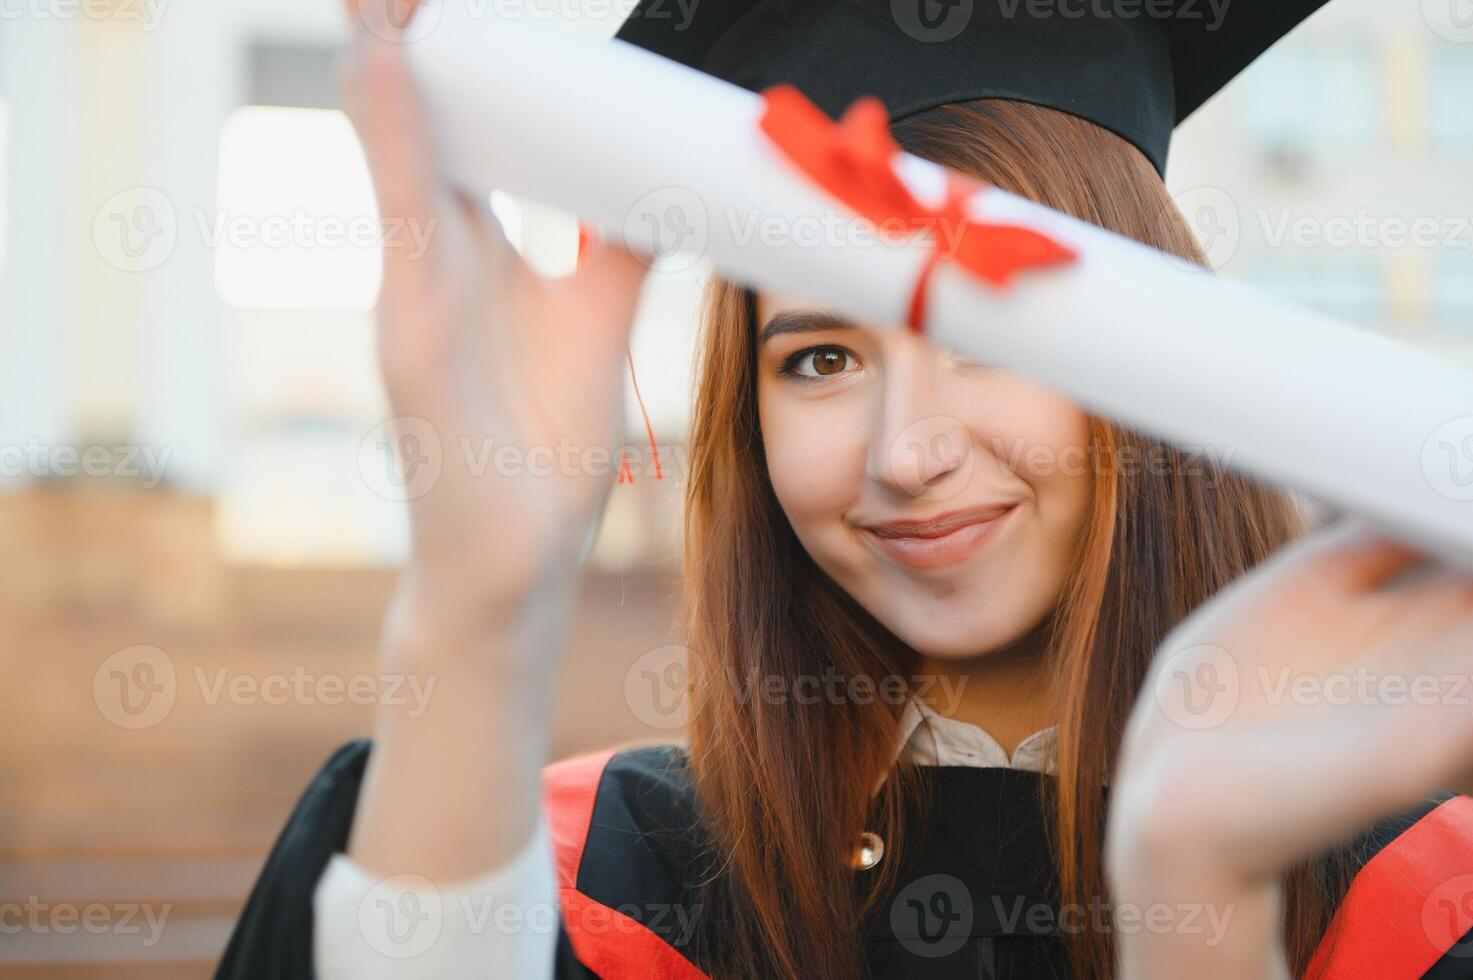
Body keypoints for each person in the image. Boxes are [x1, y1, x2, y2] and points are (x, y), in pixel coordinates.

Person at [217, 0, 1473, 977]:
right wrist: (477, 606)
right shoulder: (618, 874)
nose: (903, 451)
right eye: (819, 357)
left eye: (990, 330)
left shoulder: (1417, 898)